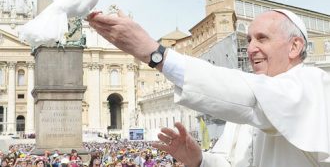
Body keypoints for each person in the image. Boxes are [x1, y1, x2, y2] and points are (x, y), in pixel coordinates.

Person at [87, 9, 330, 167]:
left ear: (294, 46)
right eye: (248, 40)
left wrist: (156, 55)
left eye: (262, 38)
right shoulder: (246, 108)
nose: (251, 48)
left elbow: (250, 95)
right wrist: (200, 160)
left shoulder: (315, 85)